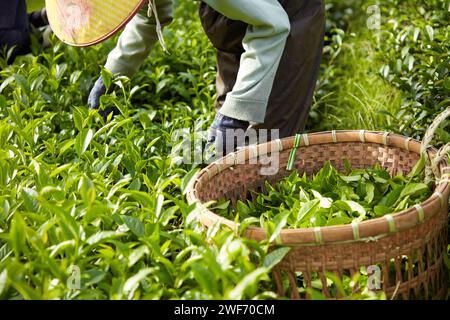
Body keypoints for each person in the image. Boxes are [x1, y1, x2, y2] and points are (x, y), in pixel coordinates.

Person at [88, 0, 325, 156]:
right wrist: (112, 76)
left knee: (265, 154)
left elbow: (273, 24)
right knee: (223, 151)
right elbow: (149, 14)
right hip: (238, 11)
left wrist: (235, 115)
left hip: (287, 13)